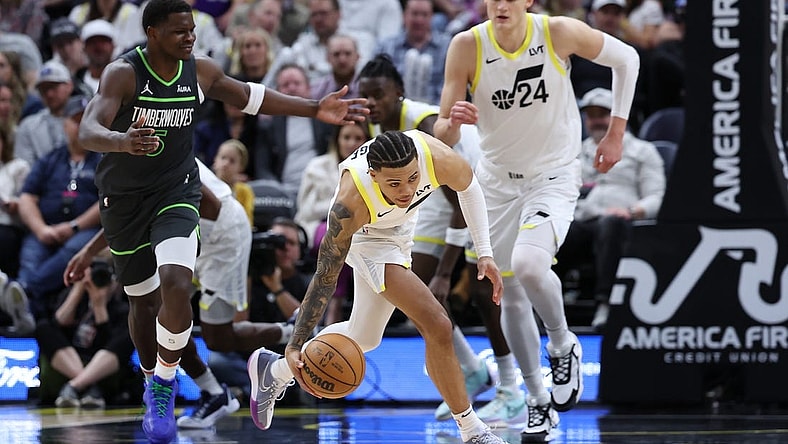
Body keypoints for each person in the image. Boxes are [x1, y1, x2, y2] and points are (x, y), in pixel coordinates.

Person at [75, 0, 368, 441]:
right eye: (179, 32)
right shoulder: (124, 73)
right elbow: (87, 129)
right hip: (123, 200)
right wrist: (120, 140)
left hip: (177, 192)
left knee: (175, 281)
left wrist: (314, 108)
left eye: (192, 29)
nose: (190, 37)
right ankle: (153, 374)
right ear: (153, 33)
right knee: (142, 302)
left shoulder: (201, 70)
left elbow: (252, 96)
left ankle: (164, 385)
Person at [434, 0, 639, 440]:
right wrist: (453, 122)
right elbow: (442, 133)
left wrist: (616, 132)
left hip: (553, 174)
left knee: (529, 265)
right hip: (495, 182)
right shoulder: (466, 46)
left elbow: (628, 58)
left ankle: (563, 344)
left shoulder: (557, 32)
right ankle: (537, 400)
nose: (502, 4)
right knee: (503, 293)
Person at [247, 129, 506, 444]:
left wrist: (485, 254)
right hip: (367, 236)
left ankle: (272, 371)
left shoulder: (435, 158)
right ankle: (472, 430)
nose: (407, 190)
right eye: (395, 183)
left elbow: (469, 187)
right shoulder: (349, 204)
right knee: (437, 324)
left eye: (413, 179)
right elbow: (325, 277)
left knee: (364, 338)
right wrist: (294, 344)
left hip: (401, 226)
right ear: (373, 175)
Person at [554, 87, 665, 329]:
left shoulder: (642, 151)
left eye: (602, 114)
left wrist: (633, 210)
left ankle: (606, 304)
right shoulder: (573, 153)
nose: (596, 121)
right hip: (583, 219)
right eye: (591, 115)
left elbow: (657, 196)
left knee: (610, 225)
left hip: (624, 221)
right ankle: (549, 306)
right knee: (553, 230)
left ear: (617, 117)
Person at [37, 258, 135, 409]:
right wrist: (77, 290)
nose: (98, 283)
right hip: (69, 359)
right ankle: (87, 386)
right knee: (43, 327)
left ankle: (75, 385)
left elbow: (111, 345)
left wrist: (99, 306)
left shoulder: (121, 310)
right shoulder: (74, 298)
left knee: (129, 333)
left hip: (101, 366)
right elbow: (57, 324)